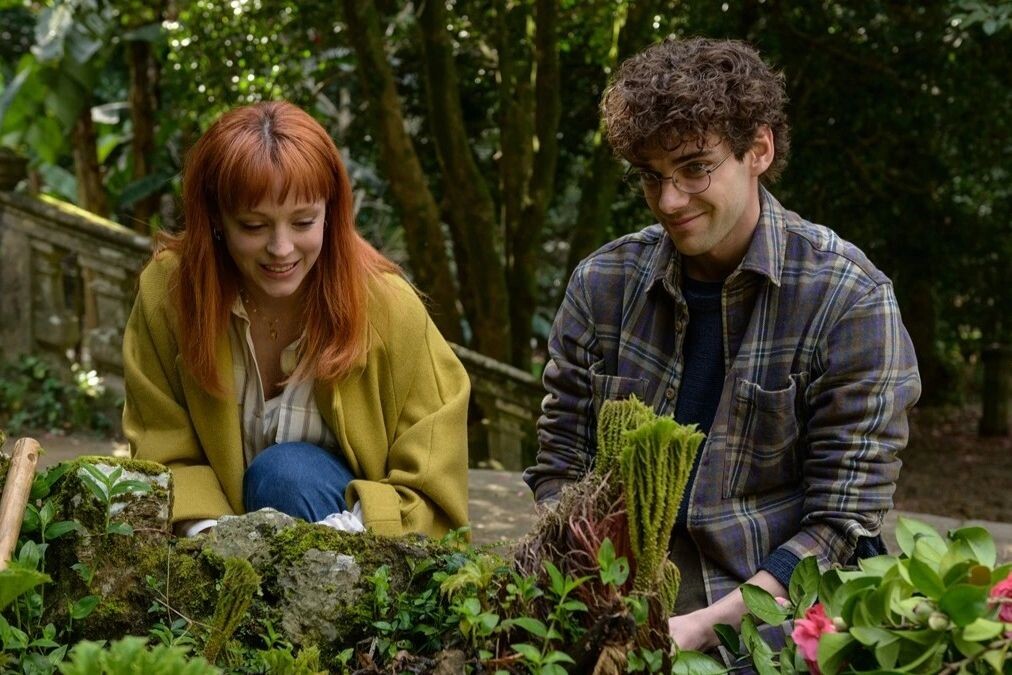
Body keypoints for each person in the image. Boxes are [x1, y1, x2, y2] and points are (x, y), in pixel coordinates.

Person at [524, 38, 921, 652]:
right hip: (617, 594)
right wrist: (599, 588)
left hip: (779, 615)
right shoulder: (602, 285)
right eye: (651, 176)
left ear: (758, 149)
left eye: (694, 168)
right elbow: (559, 467)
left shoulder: (849, 299)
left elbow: (841, 523)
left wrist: (692, 631)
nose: (669, 200)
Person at [123, 101, 470, 539]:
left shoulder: (388, 307)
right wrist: (213, 540)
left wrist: (347, 536)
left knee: (285, 475)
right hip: (222, 538)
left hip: (359, 538)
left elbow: (433, 474)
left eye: (304, 222)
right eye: (254, 226)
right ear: (215, 219)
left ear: (331, 213)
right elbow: (161, 444)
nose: (282, 248)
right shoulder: (170, 293)